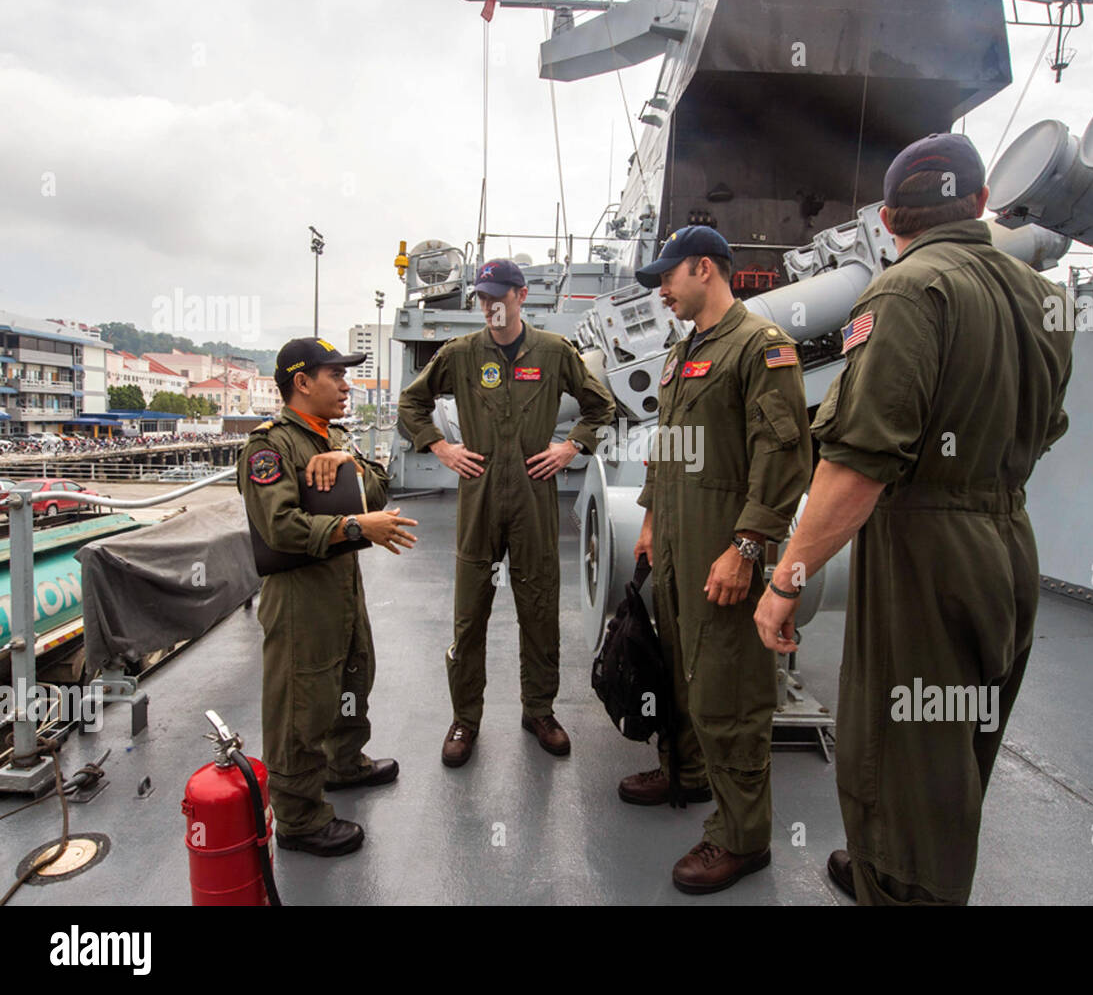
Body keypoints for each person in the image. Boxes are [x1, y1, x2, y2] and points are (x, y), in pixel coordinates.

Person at [753, 133, 1075, 905]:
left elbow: (857, 469)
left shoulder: (906, 292)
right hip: (1008, 539)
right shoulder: (1047, 297)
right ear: (982, 203)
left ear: (890, 220)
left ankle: (897, 883)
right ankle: (889, 867)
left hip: (925, 547)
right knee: (961, 741)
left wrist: (786, 583)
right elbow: (1047, 427)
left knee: (897, 752)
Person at [621, 226, 813, 894]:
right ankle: (686, 771)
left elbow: (785, 456)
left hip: (723, 547)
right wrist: (649, 520)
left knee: (729, 692)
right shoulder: (682, 355)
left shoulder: (760, 348)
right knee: (678, 669)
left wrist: (746, 547)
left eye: (668, 278)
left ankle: (742, 838)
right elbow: (668, 446)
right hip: (675, 543)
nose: (662, 292)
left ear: (705, 268)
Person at [397, 259, 616, 767]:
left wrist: (570, 449)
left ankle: (538, 709)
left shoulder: (555, 352)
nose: (489, 306)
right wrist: (439, 447)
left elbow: (599, 405)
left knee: (539, 605)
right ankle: (465, 718)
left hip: (534, 494)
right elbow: (413, 404)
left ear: (520, 296)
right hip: (479, 494)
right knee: (469, 612)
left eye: (498, 295)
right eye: (482, 297)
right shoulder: (461, 354)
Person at [239, 337, 419, 857]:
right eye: (335, 376)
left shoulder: (332, 438)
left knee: (351, 673)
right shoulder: (268, 447)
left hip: (340, 586)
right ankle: (297, 818)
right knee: (300, 701)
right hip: (299, 596)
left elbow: (381, 487)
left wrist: (350, 465)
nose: (346, 386)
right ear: (302, 382)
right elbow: (278, 528)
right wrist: (356, 527)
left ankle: (344, 765)